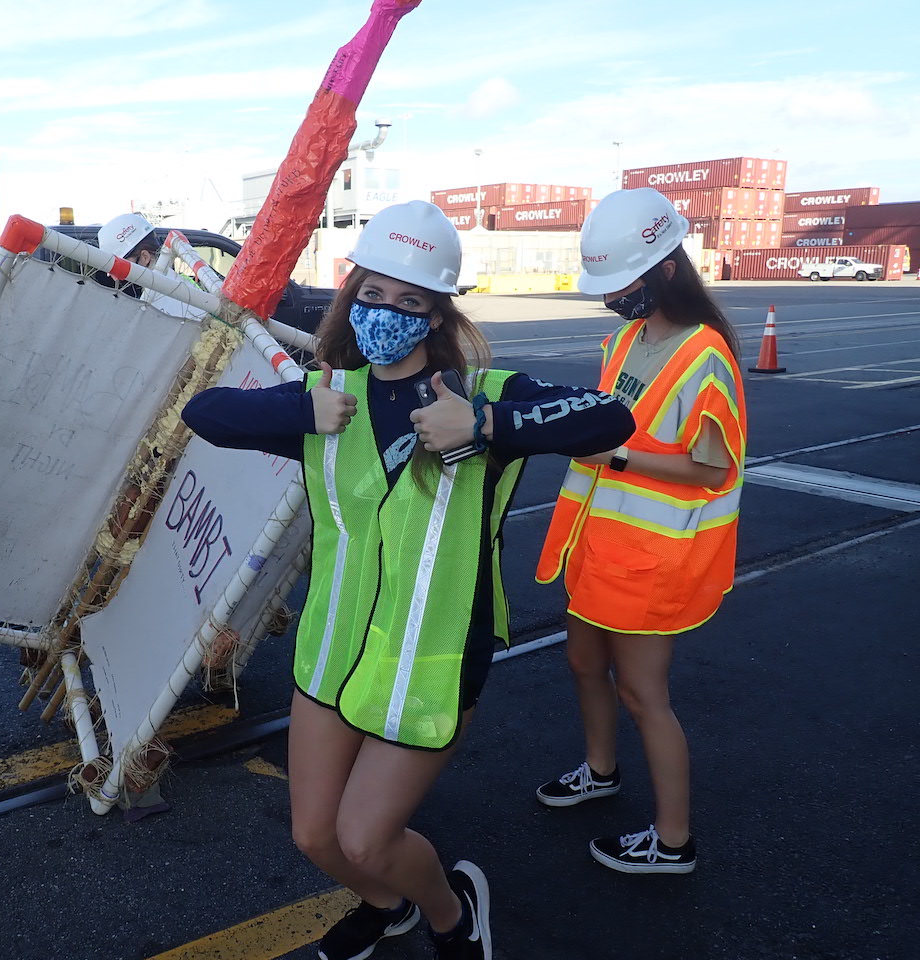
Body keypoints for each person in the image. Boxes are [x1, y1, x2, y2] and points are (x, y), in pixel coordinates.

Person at [181, 200, 634, 959]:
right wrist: (299, 408)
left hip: (435, 655)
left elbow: (609, 417)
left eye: (410, 302)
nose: (386, 313)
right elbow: (205, 411)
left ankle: (453, 913)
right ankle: (386, 907)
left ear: (436, 317)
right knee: (317, 836)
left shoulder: (483, 396)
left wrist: (489, 429)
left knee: (366, 834)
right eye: (373, 295)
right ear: (351, 296)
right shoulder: (331, 399)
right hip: (333, 646)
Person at [533, 187, 747, 875]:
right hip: (597, 546)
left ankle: (674, 840)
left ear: (667, 269)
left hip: (651, 559)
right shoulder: (626, 337)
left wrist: (616, 455)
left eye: (623, 284)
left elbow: (711, 468)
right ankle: (600, 770)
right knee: (583, 665)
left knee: (644, 696)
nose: (613, 298)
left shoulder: (705, 355)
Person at [95, 211, 201, 318]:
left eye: (117, 267)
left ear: (145, 257)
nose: (114, 277)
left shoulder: (164, 300)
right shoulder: (173, 286)